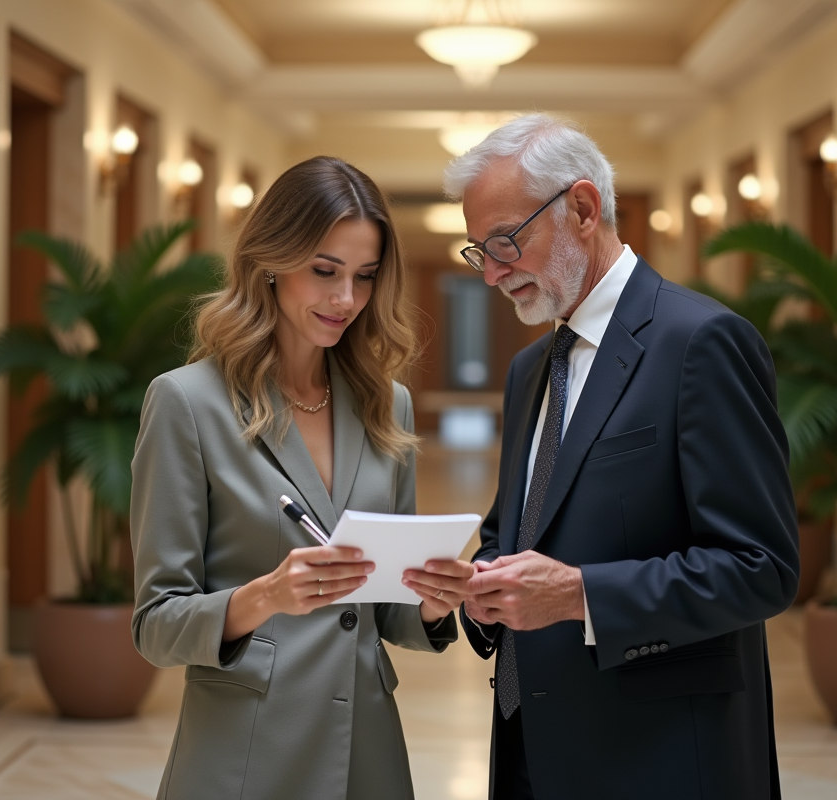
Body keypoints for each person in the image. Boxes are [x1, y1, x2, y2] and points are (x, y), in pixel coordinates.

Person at [442, 115, 800, 799]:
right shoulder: (529, 369)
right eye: (476, 252)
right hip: (531, 749)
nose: (491, 273)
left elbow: (763, 569)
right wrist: (478, 585)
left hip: (659, 758)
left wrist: (580, 595)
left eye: (505, 242)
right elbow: (515, 531)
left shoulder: (702, 343)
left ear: (582, 208)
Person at [130, 155, 475, 800]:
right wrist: (264, 597)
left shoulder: (386, 403)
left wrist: (429, 601)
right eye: (324, 271)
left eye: (365, 277)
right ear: (271, 259)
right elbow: (156, 624)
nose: (346, 299)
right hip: (248, 752)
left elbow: (387, 617)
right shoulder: (187, 404)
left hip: (368, 752)